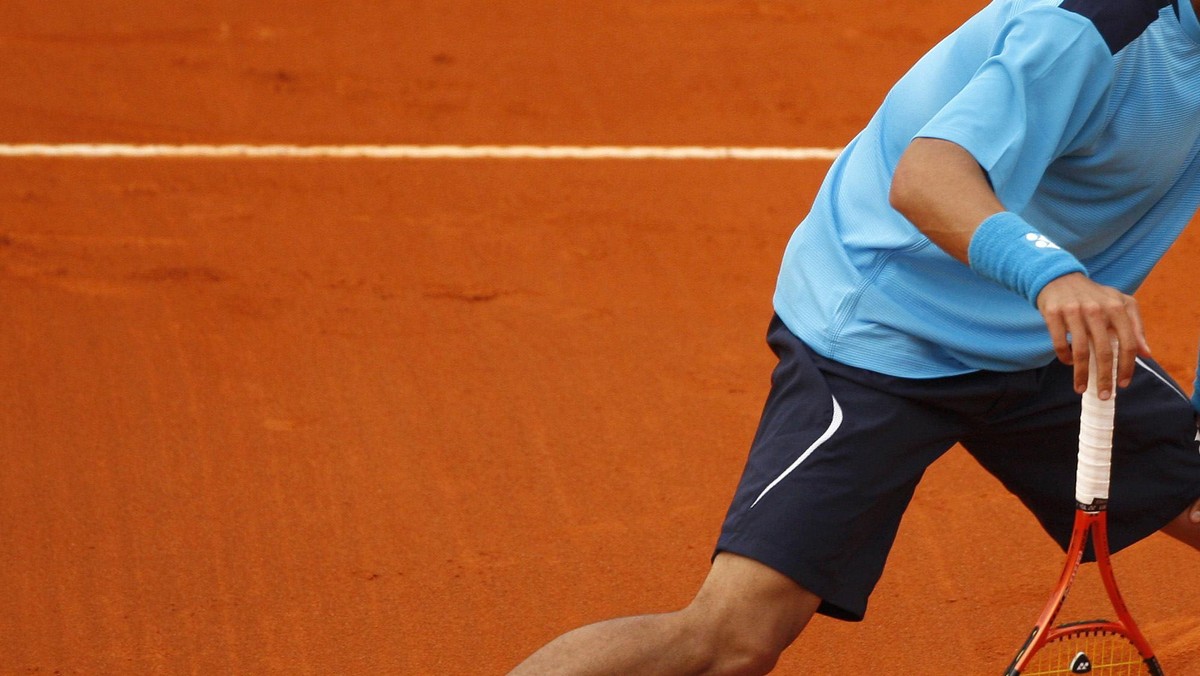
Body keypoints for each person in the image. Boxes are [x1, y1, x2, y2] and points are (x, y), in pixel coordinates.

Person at [509, 0, 1200, 673]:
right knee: (733, 639)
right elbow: (928, 178)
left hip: (1048, 336)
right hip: (891, 329)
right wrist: (1052, 277)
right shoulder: (1083, 29)